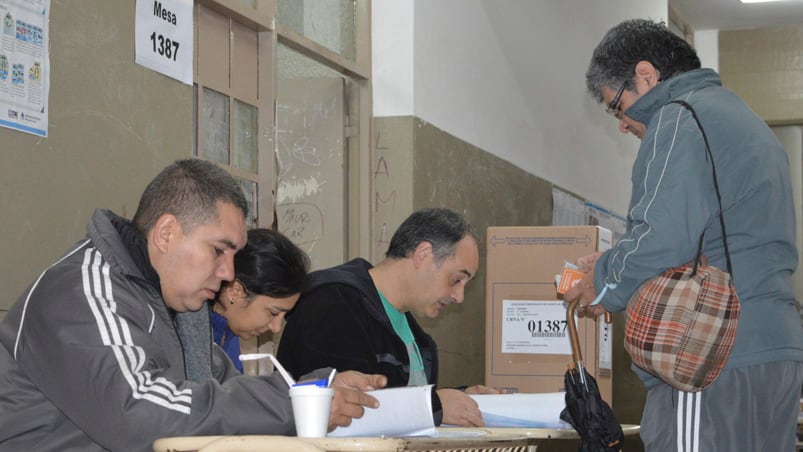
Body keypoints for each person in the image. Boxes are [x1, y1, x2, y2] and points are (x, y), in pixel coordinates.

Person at [0, 159, 385, 452]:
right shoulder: (83, 291)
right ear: (167, 233)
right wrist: (295, 406)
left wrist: (313, 390)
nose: (227, 272)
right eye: (219, 250)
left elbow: (225, 394)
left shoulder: (178, 309)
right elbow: (137, 413)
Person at [566, 19, 803, 451]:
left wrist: (602, 282)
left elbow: (661, 238)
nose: (622, 125)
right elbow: (703, 237)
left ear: (647, 75)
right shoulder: (745, 122)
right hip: (776, 353)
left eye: (616, 107)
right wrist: (614, 262)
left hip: (712, 357)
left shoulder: (679, 117)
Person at [277, 207, 497, 428]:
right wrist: (435, 405)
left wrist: (459, 401)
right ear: (423, 254)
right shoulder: (331, 304)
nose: (459, 297)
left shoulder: (417, 337)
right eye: (456, 279)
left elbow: (399, 404)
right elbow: (345, 414)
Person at [210, 228, 310, 373]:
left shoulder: (229, 331)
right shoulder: (188, 334)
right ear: (236, 291)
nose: (276, 327)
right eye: (273, 313)